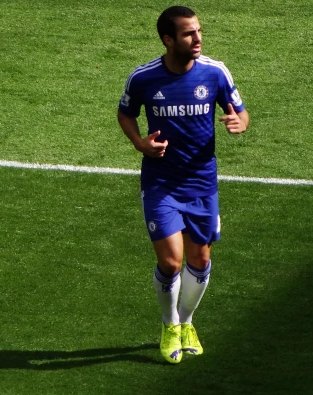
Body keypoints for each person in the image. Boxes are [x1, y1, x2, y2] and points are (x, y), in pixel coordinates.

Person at [118, 5, 250, 364]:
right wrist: (139, 143)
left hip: (202, 182)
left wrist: (240, 123)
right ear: (168, 39)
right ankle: (168, 323)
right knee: (172, 262)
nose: (198, 39)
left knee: (200, 257)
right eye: (189, 33)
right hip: (161, 182)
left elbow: (240, 110)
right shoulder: (144, 78)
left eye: (199, 31)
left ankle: (187, 322)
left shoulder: (215, 72)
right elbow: (125, 113)